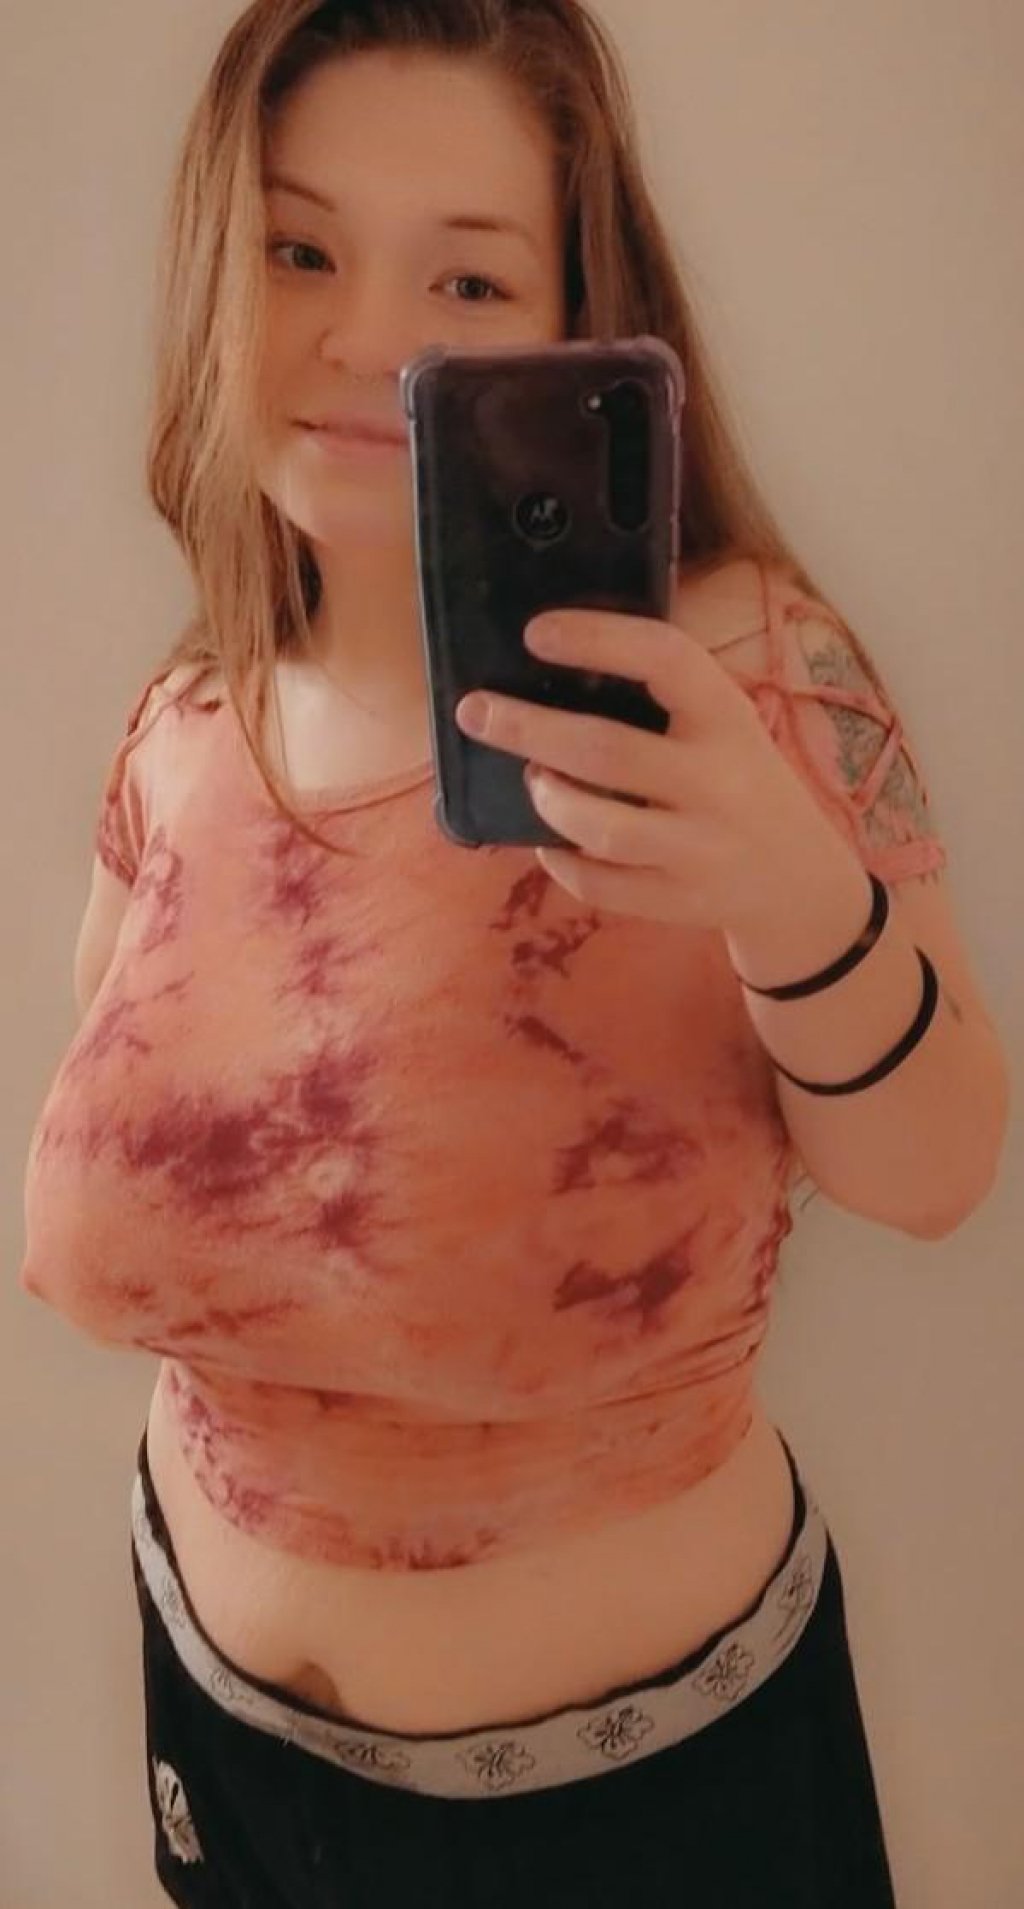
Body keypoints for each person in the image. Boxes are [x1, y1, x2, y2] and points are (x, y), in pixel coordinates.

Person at [19, 2, 1009, 1905]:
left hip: (642, 1816)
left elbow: (941, 1169)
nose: (365, 339)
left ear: (571, 326)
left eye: (465, 278)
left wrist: (793, 893)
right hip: (217, 1751)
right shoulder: (187, 723)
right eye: (298, 248)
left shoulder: (735, 671)